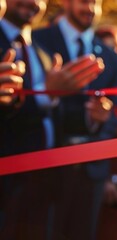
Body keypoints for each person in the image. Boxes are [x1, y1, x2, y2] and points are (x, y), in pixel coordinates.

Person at [0, 0, 105, 238]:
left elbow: (54, 115)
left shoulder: (41, 52)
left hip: (42, 185)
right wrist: (46, 94)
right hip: (7, 183)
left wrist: (93, 116)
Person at [32, 0, 117, 238]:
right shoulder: (36, 41)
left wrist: (99, 119)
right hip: (44, 168)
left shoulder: (111, 58)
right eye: (84, 2)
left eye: (96, 3)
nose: (90, 9)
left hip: (91, 174)